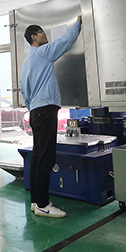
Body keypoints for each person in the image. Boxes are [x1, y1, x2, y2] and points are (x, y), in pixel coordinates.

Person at [20, 16, 82, 218]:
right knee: (46, 158)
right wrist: (78, 24)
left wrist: (33, 108)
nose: (45, 35)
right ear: (33, 37)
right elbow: (65, 42)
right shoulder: (43, 53)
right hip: (45, 110)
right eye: (41, 32)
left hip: (35, 111)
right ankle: (43, 205)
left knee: (37, 157)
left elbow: (24, 91)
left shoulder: (26, 62)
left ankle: (35, 201)